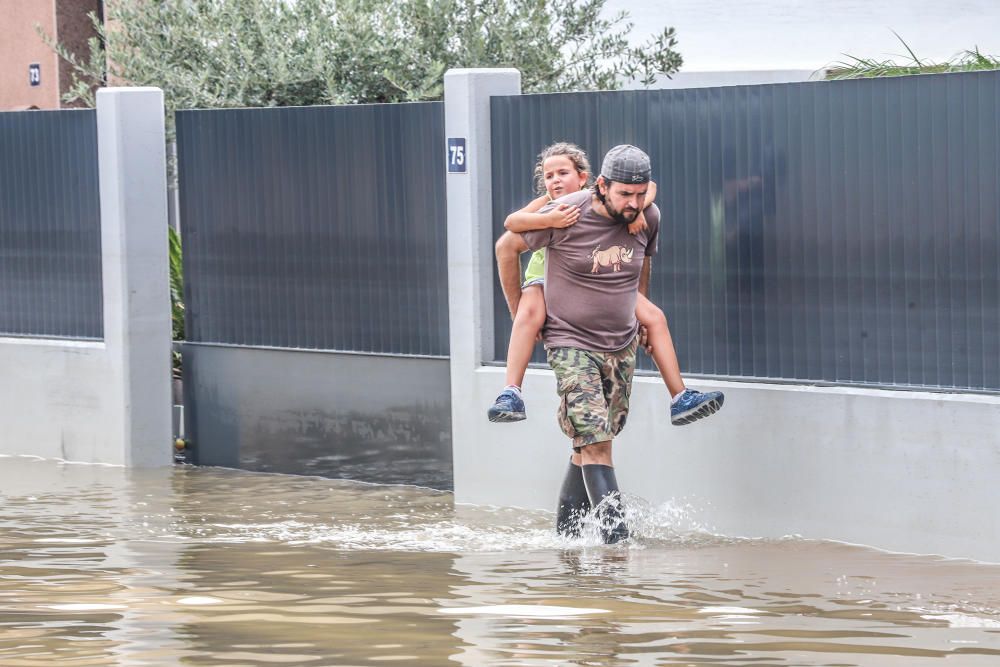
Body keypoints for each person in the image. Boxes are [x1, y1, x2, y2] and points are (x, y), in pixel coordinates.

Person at [496, 145, 716, 544]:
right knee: (597, 443)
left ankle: (566, 543)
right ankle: (619, 546)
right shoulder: (567, 214)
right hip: (570, 342)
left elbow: (642, 262)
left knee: (591, 442)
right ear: (600, 186)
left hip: (618, 343)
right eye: (623, 195)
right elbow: (506, 243)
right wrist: (521, 314)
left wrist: (638, 317)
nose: (632, 203)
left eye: (638, 194)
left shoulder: (646, 216)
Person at [488, 143, 723, 429]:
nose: (555, 181)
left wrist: (637, 211)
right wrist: (549, 218)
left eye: (562, 173)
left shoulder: (616, 202)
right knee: (528, 313)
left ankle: (680, 396)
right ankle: (511, 391)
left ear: (586, 178)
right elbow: (511, 225)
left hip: (609, 286)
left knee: (655, 317)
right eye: (549, 176)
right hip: (546, 278)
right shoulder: (553, 207)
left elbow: (648, 189)